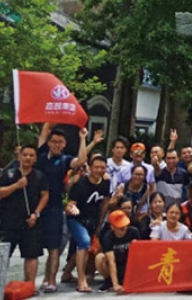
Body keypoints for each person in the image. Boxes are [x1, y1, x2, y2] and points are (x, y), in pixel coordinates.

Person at [36, 124, 89, 293]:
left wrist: (83, 139)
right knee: (32, 247)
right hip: (36, 205)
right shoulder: (40, 156)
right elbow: (43, 133)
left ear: (64, 144)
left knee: (54, 247)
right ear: (49, 142)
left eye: (60, 142)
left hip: (54, 207)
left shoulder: (65, 160)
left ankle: (51, 281)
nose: (56, 144)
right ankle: (31, 281)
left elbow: (80, 161)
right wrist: (48, 122)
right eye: (54, 141)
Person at [0, 144, 49, 284]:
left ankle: (29, 285)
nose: (28, 158)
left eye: (31, 155)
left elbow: (45, 195)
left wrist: (36, 213)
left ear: (35, 158)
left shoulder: (40, 176)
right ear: (19, 156)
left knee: (32, 254)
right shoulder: (9, 174)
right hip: (9, 222)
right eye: (25, 155)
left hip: (30, 221)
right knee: (4, 255)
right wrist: (16, 186)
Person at [66, 155, 112, 292]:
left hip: (93, 220)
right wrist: (72, 209)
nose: (99, 170)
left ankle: (66, 273)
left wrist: (100, 222)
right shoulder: (80, 183)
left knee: (85, 245)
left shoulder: (105, 182)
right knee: (85, 242)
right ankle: (81, 281)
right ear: (90, 168)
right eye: (96, 167)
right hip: (76, 219)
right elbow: (70, 204)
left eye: (102, 168)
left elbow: (105, 202)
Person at [96, 210, 139, 293]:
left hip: (129, 264)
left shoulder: (134, 232)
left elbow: (139, 253)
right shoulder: (107, 238)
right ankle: (109, 281)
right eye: (121, 227)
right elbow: (112, 262)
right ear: (112, 227)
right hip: (116, 264)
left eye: (125, 225)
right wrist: (115, 284)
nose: (124, 228)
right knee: (99, 258)